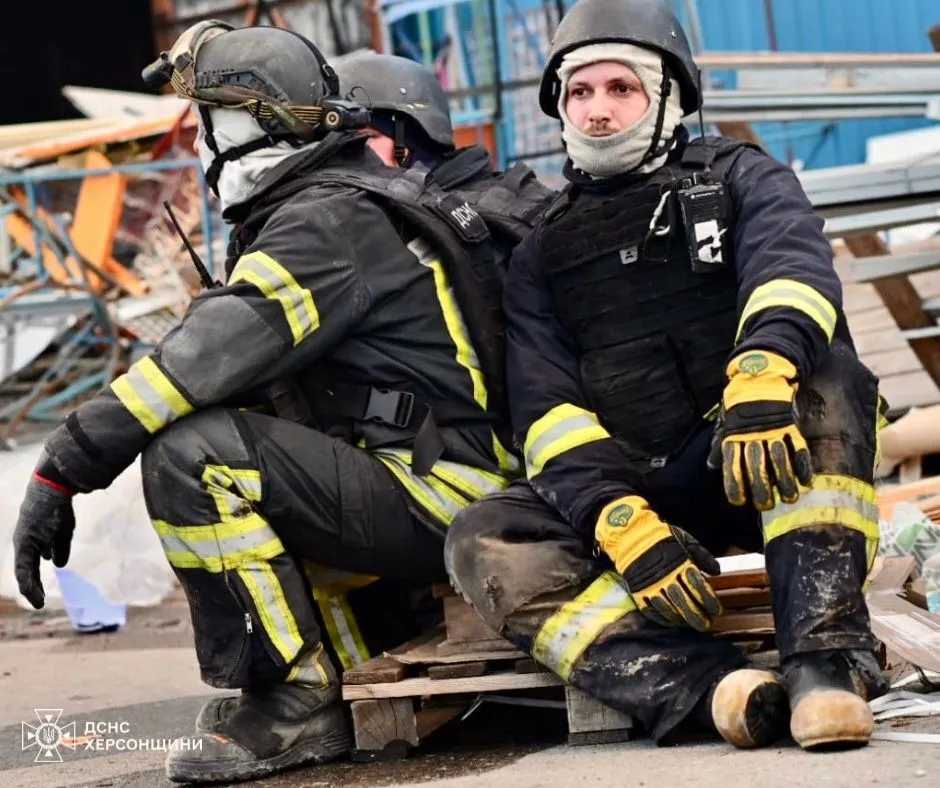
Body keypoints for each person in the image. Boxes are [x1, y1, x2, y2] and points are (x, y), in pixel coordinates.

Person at [12, 21, 522, 784]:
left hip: (447, 494)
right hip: (434, 480)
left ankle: (294, 698)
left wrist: (60, 469)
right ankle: (341, 658)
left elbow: (195, 364)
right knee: (236, 432)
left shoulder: (326, 224)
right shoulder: (327, 206)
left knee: (197, 457)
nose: (202, 145)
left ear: (244, 123)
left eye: (205, 122)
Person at [444, 0, 888, 755]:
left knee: (830, 381)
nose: (599, 111)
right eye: (580, 93)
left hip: (757, 451)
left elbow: (794, 269)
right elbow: (546, 409)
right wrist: (614, 516)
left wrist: (760, 371)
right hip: (646, 492)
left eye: (621, 88)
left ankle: (824, 662)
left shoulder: (742, 177)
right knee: (484, 537)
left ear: (669, 96)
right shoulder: (541, 254)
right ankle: (710, 689)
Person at [333, 51, 556, 265]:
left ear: (409, 141)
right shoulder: (388, 218)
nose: (351, 151)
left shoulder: (494, 216)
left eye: (368, 137)